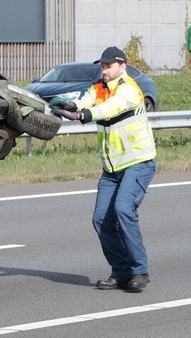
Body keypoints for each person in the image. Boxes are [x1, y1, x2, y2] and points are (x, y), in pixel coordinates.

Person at [51, 46, 157, 292]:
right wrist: (72, 105)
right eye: (103, 66)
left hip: (138, 162)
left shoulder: (129, 89)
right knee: (101, 219)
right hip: (112, 168)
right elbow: (85, 101)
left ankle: (139, 271)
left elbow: (109, 109)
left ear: (122, 66)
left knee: (123, 209)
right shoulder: (99, 87)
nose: (105, 70)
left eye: (109, 66)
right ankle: (121, 272)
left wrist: (83, 116)